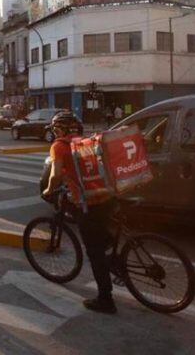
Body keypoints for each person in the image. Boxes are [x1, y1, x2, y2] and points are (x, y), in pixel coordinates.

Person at [42, 111, 117, 314]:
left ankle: (105, 299)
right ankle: (117, 263)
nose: (55, 131)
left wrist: (49, 190)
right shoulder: (85, 141)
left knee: (94, 252)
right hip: (106, 196)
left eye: (56, 128)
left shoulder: (59, 146)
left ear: (60, 129)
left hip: (88, 202)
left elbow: (56, 174)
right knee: (102, 236)